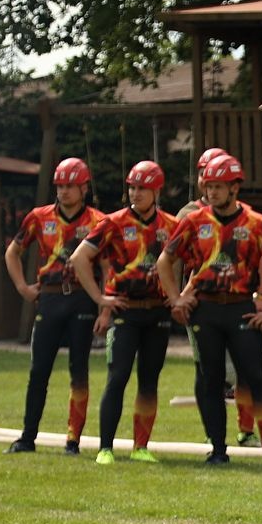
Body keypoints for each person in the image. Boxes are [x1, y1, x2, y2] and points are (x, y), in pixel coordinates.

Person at [156, 152, 262, 466]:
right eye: (209, 186)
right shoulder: (193, 221)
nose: (212, 191)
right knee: (211, 380)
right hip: (205, 310)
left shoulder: (257, 222)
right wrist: (176, 298)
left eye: (219, 186)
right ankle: (218, 449)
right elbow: (165, 260)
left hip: (242, 309)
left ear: (234, 188)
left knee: (256, 378)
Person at [72, 159, 176, 465]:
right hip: (124, 313)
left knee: (149, 380)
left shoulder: (171, 225)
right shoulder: (112, 222)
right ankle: (105, 448)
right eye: (132, 188)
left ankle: (140, 446)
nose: (136, 193)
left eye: (143, 188)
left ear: (157, 191)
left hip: (157, 313)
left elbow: (194, 259)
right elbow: (79, 258)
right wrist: (100, 298)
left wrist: (180, 295)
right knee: (117, 378)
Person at [4, 156, 106, 455]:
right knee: (39, 370)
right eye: (60, 186)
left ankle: (73, 441)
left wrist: (104, 307)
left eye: (70, 186)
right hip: (49, 298)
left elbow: (108, 266)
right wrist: (23, 288)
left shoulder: (99, 221)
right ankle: (27, 437)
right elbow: (12, 252)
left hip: (82, 299)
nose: (64, 191)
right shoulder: (39, 217)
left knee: (79, 371)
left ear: (84, 188)